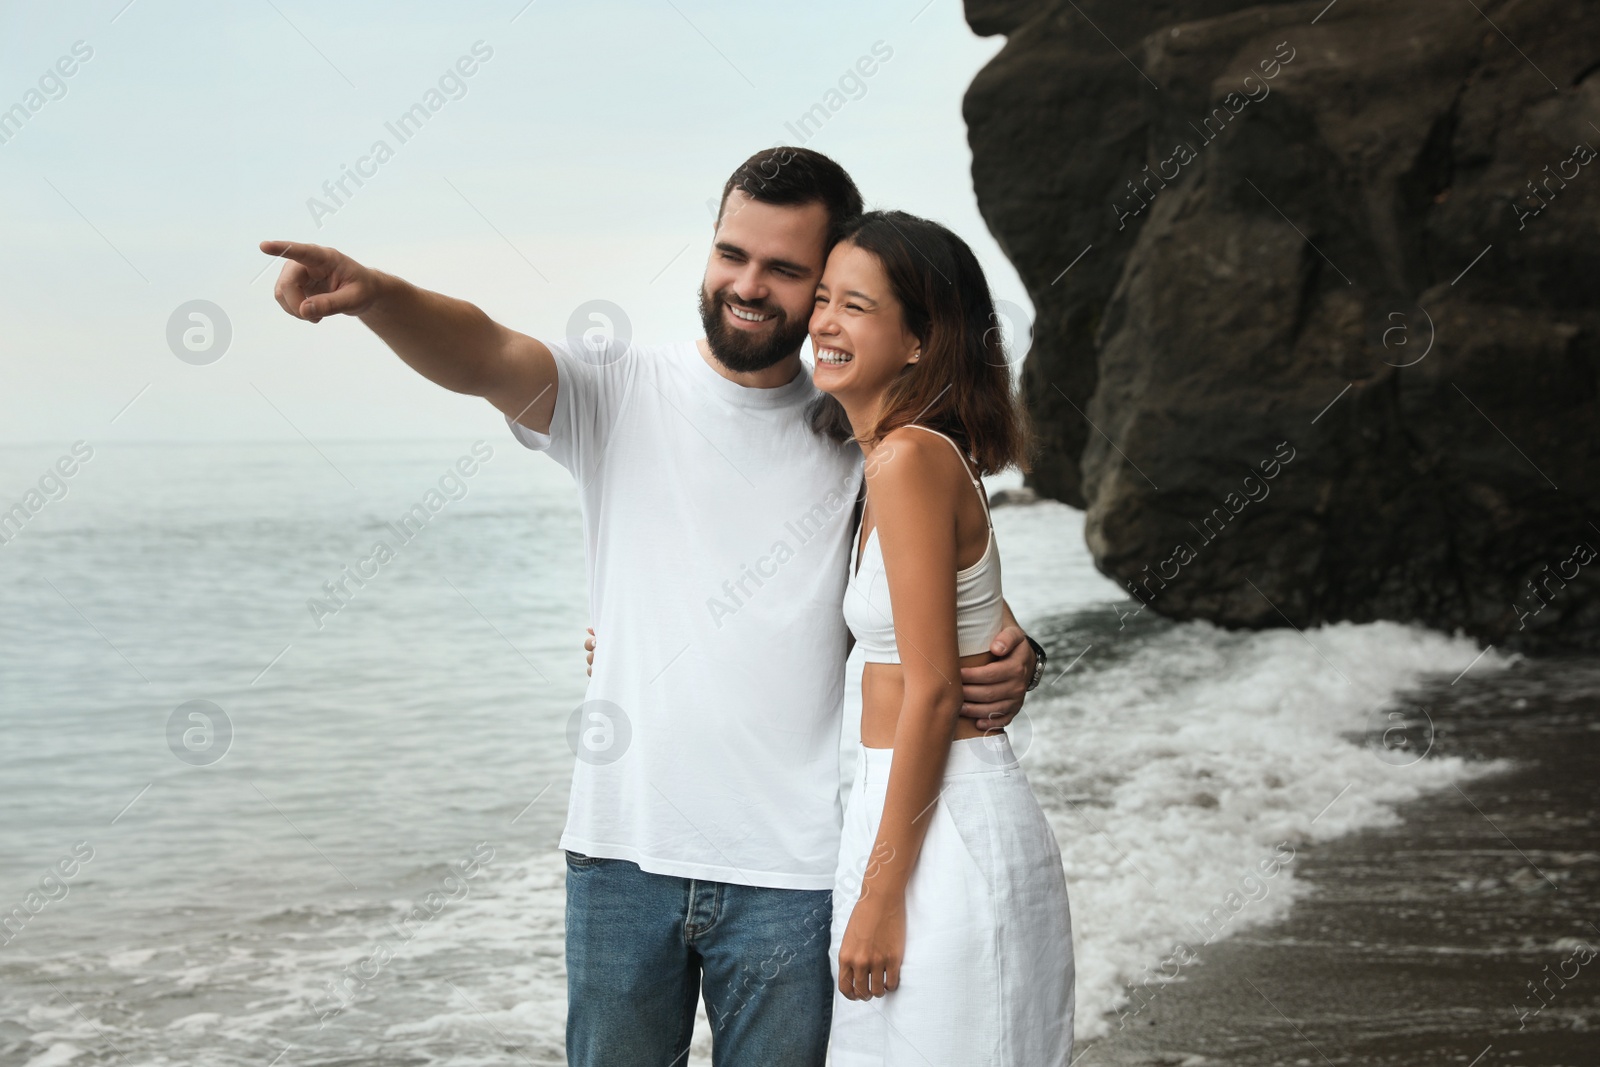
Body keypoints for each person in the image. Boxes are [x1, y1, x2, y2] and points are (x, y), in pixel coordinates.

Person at [258, 146, 1048, 1067]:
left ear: (829, 280)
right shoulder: (619, 387)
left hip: (791, 875)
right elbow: (482, 350)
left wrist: (1016, 649)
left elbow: (930, 598)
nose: (748, 285)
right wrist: (380, 296)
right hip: (620, 859)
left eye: (789, 270)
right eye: (730, 254)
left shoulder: (854, 426)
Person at [809, 210, 1075, 1065]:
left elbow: (931, 688)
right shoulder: (899, 457)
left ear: (921, 340)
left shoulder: (909, 460)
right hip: (907, 808)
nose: (824, 322)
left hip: (940, 825)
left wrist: (882, 898)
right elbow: (977, 629)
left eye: (856, 306)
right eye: (821, 298)